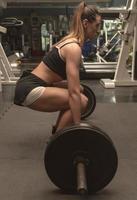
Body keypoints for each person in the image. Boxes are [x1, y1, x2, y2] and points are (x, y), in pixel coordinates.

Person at [14, 1, 101, 134]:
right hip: (31, 89)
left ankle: (58, 131)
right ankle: (58, 141)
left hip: (31, 83)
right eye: (97, 25)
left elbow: (66, 84)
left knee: (79, 90)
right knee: (82, 101)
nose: (98, 29)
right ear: (85, 23)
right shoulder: (73, 48)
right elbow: (73, 94)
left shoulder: (70, 40)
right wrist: (78, 127)